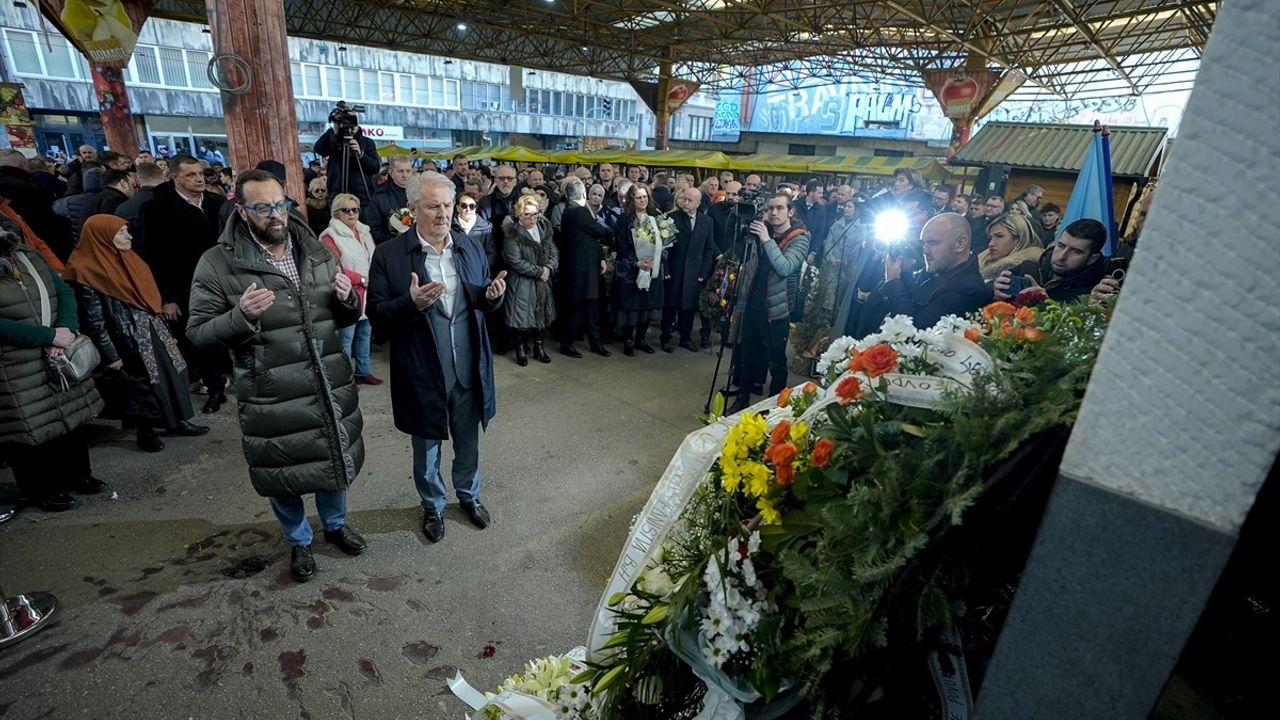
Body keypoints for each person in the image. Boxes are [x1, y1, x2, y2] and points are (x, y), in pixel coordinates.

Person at [187, 169, 366, 582]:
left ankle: (336, 526)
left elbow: (340, 314)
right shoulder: (218, 263)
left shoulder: (316, 249)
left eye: (279, 205)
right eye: (262, 208)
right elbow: (198, 334)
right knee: (283, 473)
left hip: (327, 379)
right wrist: (240, 316)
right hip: (272, 391)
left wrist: (347, 301)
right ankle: (299, 541)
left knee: (333, 459)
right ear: (242, 210)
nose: (274, 215)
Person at [365, 172, 507, 544]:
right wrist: (409, 304)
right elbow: (377, 317)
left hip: (468, 367)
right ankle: (433, 504)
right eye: (433, 206)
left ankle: (468, 495)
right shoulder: (389, 255)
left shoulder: (469, 246)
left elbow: (479, 297)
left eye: (448, 205)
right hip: (422, 370)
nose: (443, 213)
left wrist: (492, 296)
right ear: (412, 209)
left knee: (468, 439)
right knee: (426, 444)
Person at [67, 215, 208, 452]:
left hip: (151, 326)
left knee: (169, 373)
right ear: (103, 237)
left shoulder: (129, 259)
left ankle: (176, 421)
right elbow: (95, 320)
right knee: (140, 384)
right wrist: (111, 355)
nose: (129, 236)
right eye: (122, 232)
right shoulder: (86, 270)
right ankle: (146, 432)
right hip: (126, 337)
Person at [0, 216, 105, 512]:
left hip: (57, 350)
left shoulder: (29, 256)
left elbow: (63, 292)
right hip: (14, 363)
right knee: (30, 425)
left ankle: (78, 475)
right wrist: (46, 336)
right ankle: (40, 490)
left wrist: (66, 331)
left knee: (71, 415)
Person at [137, 154, 231, 414]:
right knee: (201, 339)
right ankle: (214, 389)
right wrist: (167, 297)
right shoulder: (156, 208)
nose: (199, 178)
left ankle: (227, 377)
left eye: (200, 173)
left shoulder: (217, 203)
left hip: (223, 283)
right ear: (174, 177)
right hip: (185, 286)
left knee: (228, 333)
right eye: (191, 174)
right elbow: (154, 256)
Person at [726, 193, 809, 412]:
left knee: (776, 361)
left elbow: (785, 267)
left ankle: (774, 406)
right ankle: (742, 399)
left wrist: (766, 239)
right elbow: (737, 249)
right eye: (771, 208)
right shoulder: (761, 229)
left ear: (790, 212)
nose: (774, 213)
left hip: (777, 309)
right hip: (753, 302)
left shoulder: (800, 237)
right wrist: (737, 221)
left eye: (780, 208)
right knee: (747, 353)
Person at [874, 212, 988, 330]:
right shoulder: (940, 267)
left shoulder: (968, 289)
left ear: (960, 244)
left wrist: (893, 281)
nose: (925, 251)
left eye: (933, 243)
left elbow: (916, 330)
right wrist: (905, 272)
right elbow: (911, 300)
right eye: (923, 243)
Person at [319, 193, 381, 385]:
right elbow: (333, 266)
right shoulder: (329, 236)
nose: (352, 213)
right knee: (346, 338)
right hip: (347, 293)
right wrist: (361, 279)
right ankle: (345, 378)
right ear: (337, 213)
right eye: (346, 210)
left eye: (355, 209)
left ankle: (363, 371)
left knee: (365, 334)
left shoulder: (364, 232)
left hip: (368, 292)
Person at [556, 178, 614, 358]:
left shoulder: (569, 211)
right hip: (582, 271)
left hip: (587, 268)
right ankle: (567, 343)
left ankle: (595, 343)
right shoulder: (579, 212)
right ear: (583, 194)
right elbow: (600, 232)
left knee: (593, 307)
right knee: (580, 308)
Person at [994, 218, 1109, 304]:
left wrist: (1048, 305)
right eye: (1061, 245)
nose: (1062, 256)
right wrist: (993, 292)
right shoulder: (1027, 268)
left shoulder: (1090, 294)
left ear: (1091, 259)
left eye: (1076, 252)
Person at [502, 192, 558, 366]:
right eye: (527, 214)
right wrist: (539, 271)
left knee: (542, 316)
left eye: (535, 214)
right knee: (521, 319)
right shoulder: (512, 234)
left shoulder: (543, 229)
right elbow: (515, 261)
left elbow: (553, 251)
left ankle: (539, 348)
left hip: (542, 281)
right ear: (519, 214)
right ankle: (520, 349)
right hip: (522, 283)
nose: (532, 218)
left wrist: (549, 267)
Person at [660, 186, 717, 353]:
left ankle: (685, 338)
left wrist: (703, 273)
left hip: (695, 273)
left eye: (690, 200)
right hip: (674, 270)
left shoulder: (707, 222)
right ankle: (665, 338)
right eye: (683, 199)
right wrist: (666, 269)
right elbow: (664, 248)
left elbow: (709, 249)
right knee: (670, 307)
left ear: (698, 203)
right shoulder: (671, 218)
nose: (685, 202)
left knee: (688, 308)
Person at [612, 182, 666, 356]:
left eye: (645, 197)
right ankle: (628, 340)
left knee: (648, 306)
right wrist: (636, 262)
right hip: (630, 271)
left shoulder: (656, 216)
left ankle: (641, 339)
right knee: (631, 308)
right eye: (638, 197)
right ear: (631, 199)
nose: (642, 200)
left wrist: (655, 259)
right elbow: (620, 244)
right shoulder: (624, 219)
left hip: (652, 269)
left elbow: (665, 242)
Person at [0, 148, 72, 261]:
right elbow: (50, 213)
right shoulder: (31, 183)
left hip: (14, 251)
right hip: (45, 240)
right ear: (22, 164)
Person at [313, 117, 379, 207]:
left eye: (352, 119)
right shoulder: (333, 139)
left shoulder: (367, 142)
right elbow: (319, 149)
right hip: (337, 196)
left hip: (362, 197)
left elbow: (375, 168)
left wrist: (361, 154)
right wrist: (333, 130)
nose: (348, 123)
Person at [977, 208, 1043, 282]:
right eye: (990, 238)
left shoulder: (1023, 270)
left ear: (1019, 239)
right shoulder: (981, 261)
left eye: (999, 236)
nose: (991, 244)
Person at [366, 155, 414, 245]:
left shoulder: (420, 191)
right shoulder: (380, 195)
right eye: (400, 171)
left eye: (408, 171)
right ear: (391, 172)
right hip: (392, 245)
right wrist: (398, 239)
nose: (405, 175)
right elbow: (374, 229)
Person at [114, 162, 165, 243]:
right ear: (163, 179)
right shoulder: (179, 203)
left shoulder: (122, 209)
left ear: (137, 181)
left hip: (137, 253)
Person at [453, 191, 497, 270]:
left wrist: (480, 269)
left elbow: (491, 253)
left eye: (472, 206)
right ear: (457, 208)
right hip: (457, 272)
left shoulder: (486, 227)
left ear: (476, 208)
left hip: (479, 272)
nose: (468, 209)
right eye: (464, 206)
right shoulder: (450, 227)